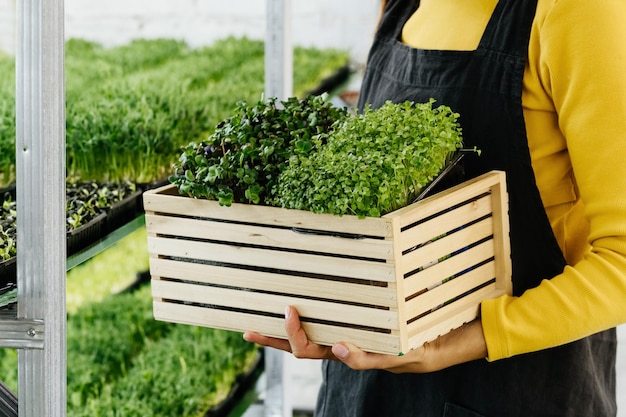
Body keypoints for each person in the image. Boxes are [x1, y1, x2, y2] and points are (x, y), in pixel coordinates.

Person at [244, 0, 626, 415]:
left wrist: (460, 340)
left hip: (513, 391)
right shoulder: (400, 6)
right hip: (361, 391)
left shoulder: (578, 10)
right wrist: (331, 309)